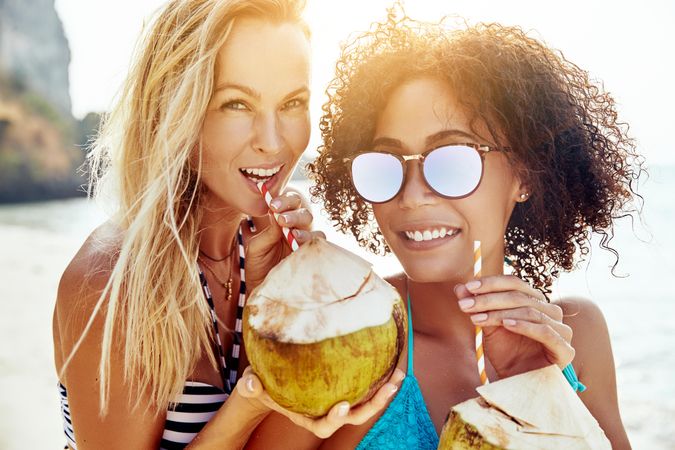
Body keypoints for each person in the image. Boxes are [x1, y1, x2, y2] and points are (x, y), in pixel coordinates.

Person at [279, 10, 639, 450]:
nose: (412, 196)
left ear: (525, 176)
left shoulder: (578, 337)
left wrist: (546, 394)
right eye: (384, 164)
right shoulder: (339, 337)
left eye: (451, 161)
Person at [52, 1, 401, 449]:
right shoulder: (110, 282)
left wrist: (293, 302)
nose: (273, 142)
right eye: (236, 104)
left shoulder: (270, 259)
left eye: (293, 102)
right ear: (175, 111)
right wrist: (252, 398)